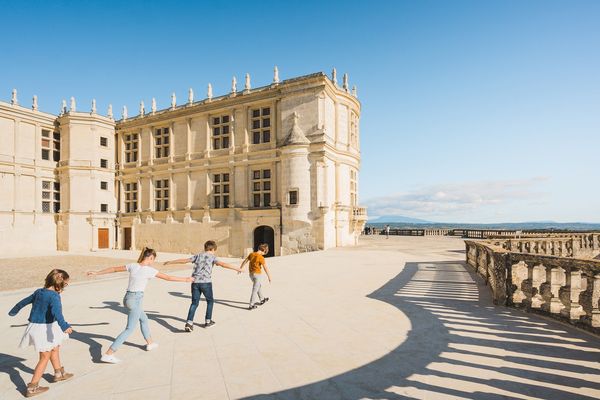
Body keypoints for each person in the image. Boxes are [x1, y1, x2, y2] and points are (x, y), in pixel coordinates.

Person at [87, 247, 193, 364]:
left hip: (127, 298)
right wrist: (186, 279)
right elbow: (168, 278)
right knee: (129, 329)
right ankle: (109, 353)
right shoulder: (149, 270)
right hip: (135, 300)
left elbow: (114, 269)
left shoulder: (133, 265)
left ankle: (150, 343)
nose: (153, 262)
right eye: (153, 259)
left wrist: (97, 272)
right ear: (151, 257)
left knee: (144, 319)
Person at [8, 269, 74, 397]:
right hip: (43, 328)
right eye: (65, 285)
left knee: (55, 348)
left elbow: (23, 302)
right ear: (58, 285)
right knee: (44, 357)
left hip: (44, 326)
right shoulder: (54, 296)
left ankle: (58, 373)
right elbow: (57, 313)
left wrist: (14, 310)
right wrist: (65, 326)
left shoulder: (39, 292)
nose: (65, 288)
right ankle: (32, 387)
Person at [164, 240, 242, 332]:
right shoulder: (213, 257)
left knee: (194, 303)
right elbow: (223, 264)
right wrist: (237, 268)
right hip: (206, 283)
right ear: (213, 249)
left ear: (205, 248)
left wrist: (171, 262)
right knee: (210, 301)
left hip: (195, 282)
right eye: (214, 250)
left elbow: (185, 261)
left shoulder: (198, 256)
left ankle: (189, 323)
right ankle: (208, 321)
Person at [239, 243, 272, 310]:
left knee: (258, 286)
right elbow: (265, 268)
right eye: (264, 253)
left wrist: (240, 268)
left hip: (251, 275)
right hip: (257, 275)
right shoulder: (261, 257)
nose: (264, 254)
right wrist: (269, 276)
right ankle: (251, 305)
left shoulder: (251, 254)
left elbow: (245, 261)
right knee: (255, 289)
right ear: (264, 251)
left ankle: (262, 299)